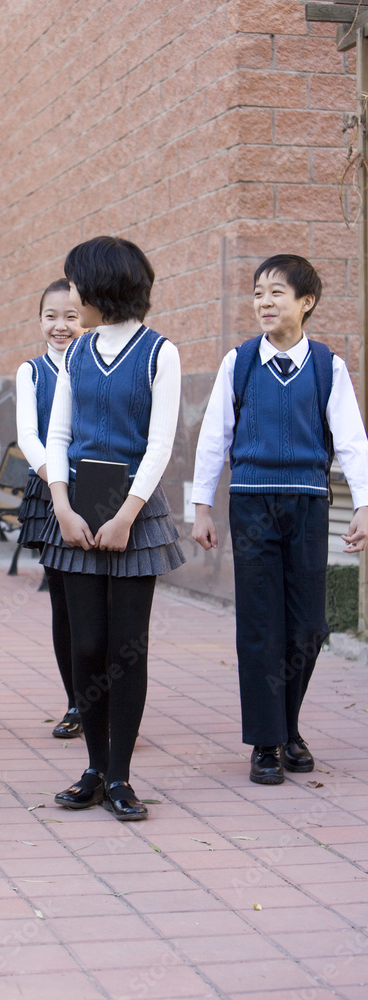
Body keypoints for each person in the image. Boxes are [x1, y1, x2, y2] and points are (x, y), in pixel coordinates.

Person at [191, 254, 368, 784]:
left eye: (276, 293)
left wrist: (363, 503)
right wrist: (202, 506)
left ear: (306, 302)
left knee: (309, 626)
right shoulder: (239, 362)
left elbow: (352, 441)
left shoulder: (326, 366)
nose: (264, 303)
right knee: (260, 626)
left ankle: (288, 725)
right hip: (251, 506)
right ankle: (267, 743)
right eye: (257, 293)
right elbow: (214, 437)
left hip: (309, 505)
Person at [42, 236, 184, 821]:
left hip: (135, 513)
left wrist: (126, 514)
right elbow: (59, 436)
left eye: (76, 284)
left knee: (125, 650)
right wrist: (62, 505)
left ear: (102, 286)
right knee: (87, 645)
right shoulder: (75, 353)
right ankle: (94, 769)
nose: (71, 295)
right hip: (76, 508)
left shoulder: (160, 353)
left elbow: (160, 444)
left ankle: (121, 776)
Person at [16, 279, 84, 738]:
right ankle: (77, 703)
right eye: (51, 316)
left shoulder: (99, 362)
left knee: (98, 604)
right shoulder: (32, 372)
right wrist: (57, 481)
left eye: (71, 316)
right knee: (63, 603)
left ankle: (110, 700)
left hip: (102, 494)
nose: (60, 326)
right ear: (40, 320)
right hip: (50, 494)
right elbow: (29, 437)